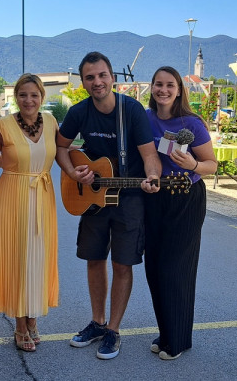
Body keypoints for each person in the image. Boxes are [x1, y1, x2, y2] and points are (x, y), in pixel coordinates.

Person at [55, 51, 161, 360]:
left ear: (112, 77)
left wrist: (153, 175)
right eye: (90, 77)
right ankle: (97, 322)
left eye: (102, 75)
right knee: (94, 259)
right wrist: (73, 171)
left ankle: (113, 329)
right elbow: (61, 147)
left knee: (122, 263)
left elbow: (149, 154)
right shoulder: (78, 112)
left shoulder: (132, 110)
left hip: (128, 199)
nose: (97, 82)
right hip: (94, 198)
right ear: (84, 82)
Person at [0, 73, 59, 353]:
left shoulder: (50, 122)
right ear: (16, 98)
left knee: (38, 257)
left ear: (42, 97)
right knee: (18, 257)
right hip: (13, 194)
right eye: (23, 95)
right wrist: (12, 165)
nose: (29, 100)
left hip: (43, 193)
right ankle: (19, 324)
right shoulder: (2, 125)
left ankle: (33, 317)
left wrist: (78, 172)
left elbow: (60, 154)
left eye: (34, 95)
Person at [144, 66, 217, 360]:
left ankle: (178, 341)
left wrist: (192, 166)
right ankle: (167, 333)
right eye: (158, 84)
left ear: (178, 89)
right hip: (155, 199)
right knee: (155, 269)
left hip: (187, 199)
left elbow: (212, 164)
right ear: (151, 87)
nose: (163, 89)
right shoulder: (145, 118)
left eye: (170, 85)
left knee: (176, 269)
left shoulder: (193, 123)